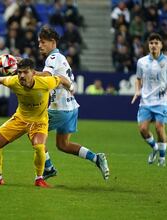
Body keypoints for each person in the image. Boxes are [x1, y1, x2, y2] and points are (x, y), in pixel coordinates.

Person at [0, 58, 73, 187]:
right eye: (19, 72)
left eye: (25, 72)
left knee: (39, 147)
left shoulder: (45, 82)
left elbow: (60, 78)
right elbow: (0, 80)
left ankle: (39, 179)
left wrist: (71, 87)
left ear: (33, 73)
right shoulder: (14, 81)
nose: (21, 75)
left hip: (39, 121)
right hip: (20, 119)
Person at [35, 25, 109, 180]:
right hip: (71, 107)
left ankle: (48, 168)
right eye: (39, 42)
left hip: (59, 109)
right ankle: (96, 158)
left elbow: (47, 76)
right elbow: (64, 81)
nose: (39, 45)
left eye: (43, 42)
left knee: (35, 132)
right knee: (63, 145)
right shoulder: (61, 58)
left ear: (53, 42)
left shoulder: (53, 58)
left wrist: (28, 72)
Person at [131, 33, 167, 167]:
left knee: (159, 128)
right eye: (151, 43)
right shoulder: (141, 62)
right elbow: (138, 78)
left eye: (156, 43)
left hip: (162, 100)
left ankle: (162, 159)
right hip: (146, 101)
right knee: (142, 129)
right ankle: (154, 147)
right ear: (148, 45)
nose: (153, 45)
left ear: (161, 45)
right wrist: (137, 90)